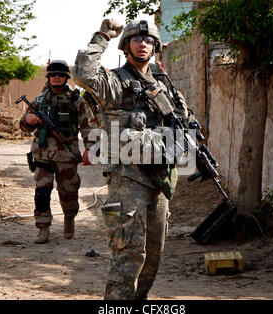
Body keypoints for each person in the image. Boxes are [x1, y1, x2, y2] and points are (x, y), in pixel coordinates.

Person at [72, 19, 192, 299]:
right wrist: (102, 36)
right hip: (128, 178)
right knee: (129, 253)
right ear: (125, 46)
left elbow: (185, 121)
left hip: (160, 179)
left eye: (149, 41)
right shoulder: (114, 83)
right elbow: (82, 74)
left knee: (153, 255)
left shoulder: (164, 85)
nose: (143, 44)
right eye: (137, 40)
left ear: (155, 47)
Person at [19, 60, 97, 244]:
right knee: (41, 192)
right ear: (48, 77)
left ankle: (69, 218)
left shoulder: (76, 100)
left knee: (68, 191)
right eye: (53, 75)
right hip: (42, 153)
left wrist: (90, 149)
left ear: (66, 78)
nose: (56, 78)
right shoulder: (39, 100)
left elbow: (88, 126)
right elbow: (24, 127)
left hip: (66, 154)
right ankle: (43, 228)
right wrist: (27, 119)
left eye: (60, 75)